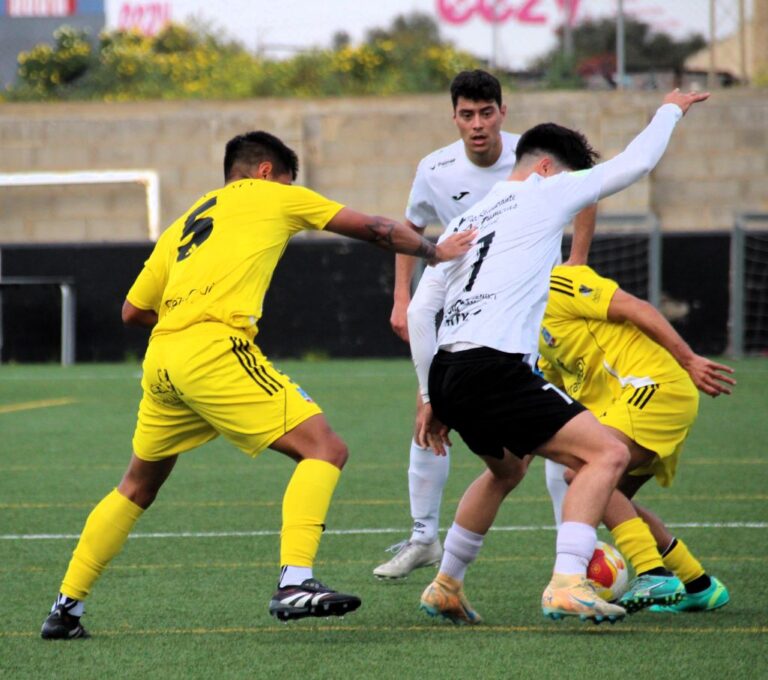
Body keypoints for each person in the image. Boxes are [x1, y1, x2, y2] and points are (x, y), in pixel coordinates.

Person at [39, 130, 475, 640]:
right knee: (325, 449)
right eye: (287, 181)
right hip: (213, 350)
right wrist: (435, 251)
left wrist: (186, 319)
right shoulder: (273, 194)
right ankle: (295, 581)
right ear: (267, 172)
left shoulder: (185, 222)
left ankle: (65, 608)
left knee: (135, 486)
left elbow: (132, 311)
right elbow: (376, 228)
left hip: (163, 359)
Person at [408, 89, 710, 624]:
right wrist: (671, 109)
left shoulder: (463, 221)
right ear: (547, 168)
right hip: (495, 367)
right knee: (605, 455)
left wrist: (431, 394)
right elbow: (638, 162)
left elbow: (418, 310)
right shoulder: (545, 191)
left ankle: (446, 584)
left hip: (450, 370)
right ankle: (567, 582)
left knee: (507, 471)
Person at [374, 69, 597, 580]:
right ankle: (423, 537)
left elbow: (586, 192)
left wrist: (577, 260)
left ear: (502, 112)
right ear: (454, 117)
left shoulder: (534, 157)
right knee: (429, 410)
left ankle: (570, 554)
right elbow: (411, 229)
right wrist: (402, 295)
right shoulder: (434, 168)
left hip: (532, 305)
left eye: (486, 113)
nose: (477, 124)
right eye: (467, 114)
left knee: (559, 421)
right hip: (468, 314)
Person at [537, 263, 734, 613]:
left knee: (583, 474)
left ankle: (652, 572)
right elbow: (552, 392)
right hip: (631, 405)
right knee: (607, 496)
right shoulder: (530, 328)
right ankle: (699, 584)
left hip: (652, 387)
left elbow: (636, 308)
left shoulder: (559, 282)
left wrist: (688, 359)